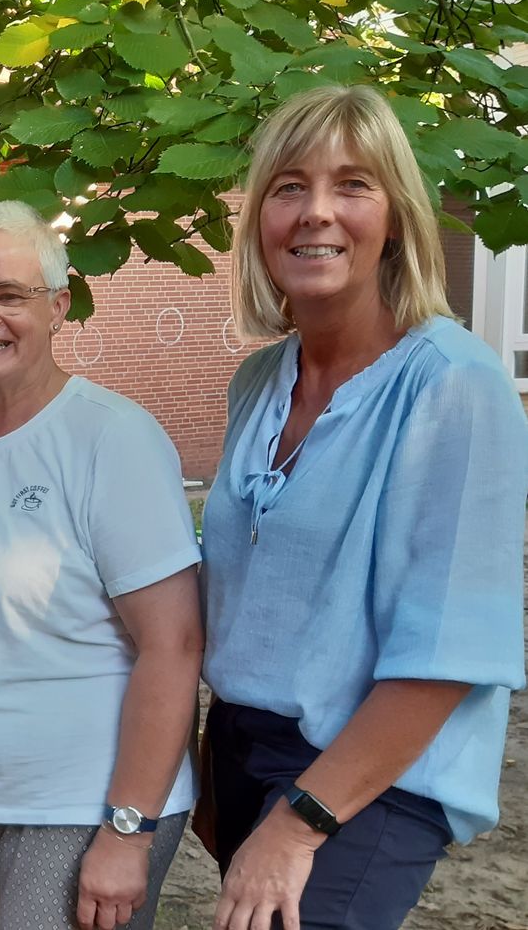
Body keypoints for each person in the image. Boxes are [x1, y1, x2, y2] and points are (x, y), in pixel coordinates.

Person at [202, 84, 528, 930]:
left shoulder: (453, 385)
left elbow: (449, 651)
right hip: (243, 749)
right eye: (288, 187)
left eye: (352, 184)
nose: (317, 213)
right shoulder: (259, 382)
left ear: (396, 218)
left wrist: (300, 820)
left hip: (365, 776)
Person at [0, 200, 203, 930]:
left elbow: (174, 644)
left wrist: (128, 828)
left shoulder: (110, 438)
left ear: (59, 307)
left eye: (8, 295)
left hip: (75, 802)